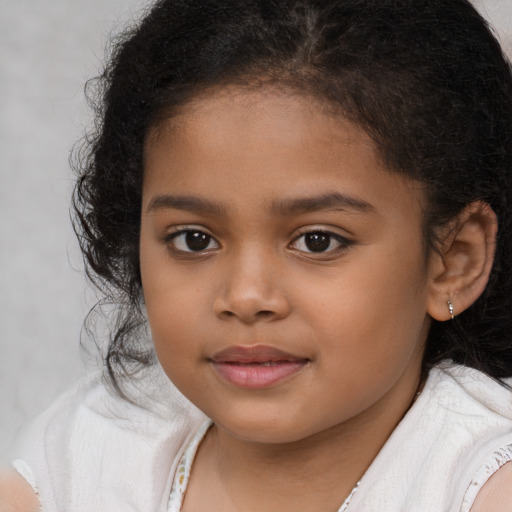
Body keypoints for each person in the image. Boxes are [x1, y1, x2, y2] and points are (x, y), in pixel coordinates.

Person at [2, 0, 512, 510]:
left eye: (318, 240)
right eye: (193, 239)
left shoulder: (481, 487)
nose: (245, 297)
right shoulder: (87, 450)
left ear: (453, 261)